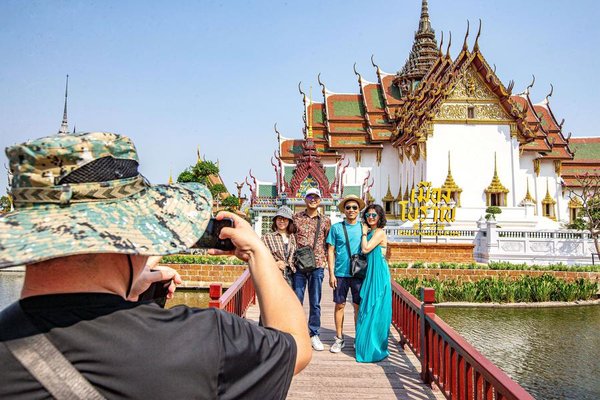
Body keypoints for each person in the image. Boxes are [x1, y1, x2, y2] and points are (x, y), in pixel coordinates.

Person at [0, 131, 311, 399]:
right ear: (132, 235)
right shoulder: (203, 340)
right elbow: (295, 345)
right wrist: (258, 251)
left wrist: (129, 285)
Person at [292, 187, 331, 351]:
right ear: (304, 199)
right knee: (297, 300)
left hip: (317, 265)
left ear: (320, 200)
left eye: (315, 197)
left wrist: (329, 266)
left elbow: (329, 244)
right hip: (299, 265)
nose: (312, 199)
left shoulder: (325, 220)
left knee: (315, 302)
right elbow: (291, 239)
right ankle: (297, 332)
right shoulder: (296, 218)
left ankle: (313, 333)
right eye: (309, 197)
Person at [326, 194, 365, 353]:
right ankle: (339, 338)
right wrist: (331, 274)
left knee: (357, 306)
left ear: (358, 210)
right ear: (344, 210)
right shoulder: (336, 228)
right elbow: (330, 251)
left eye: (354, 208)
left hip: (358, 273)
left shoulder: (364, 228)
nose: (351, 210)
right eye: (348, 207)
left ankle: (358, 338)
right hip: (341, 273)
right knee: (340, 305)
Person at [355, 204, 392, 363]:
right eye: (368, 215)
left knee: (376, 310)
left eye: (374, 215)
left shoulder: (379, 232)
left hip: (379, 275)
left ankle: (375, 348)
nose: (370, 218)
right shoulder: (371, 232)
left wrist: (363, 233)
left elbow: (366, 249)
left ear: (379, 217)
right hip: (371, 274)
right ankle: (365, 345)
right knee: (367, 309)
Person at [262, 205, 297, 287]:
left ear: (289, 221)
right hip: (275, 274)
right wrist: (275, 264)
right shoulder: (267, 237)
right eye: (279, 218)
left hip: (292, 276)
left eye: (285, 219)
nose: (282, 221)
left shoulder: (293, 237)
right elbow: (261, 256)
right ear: (275, 220)